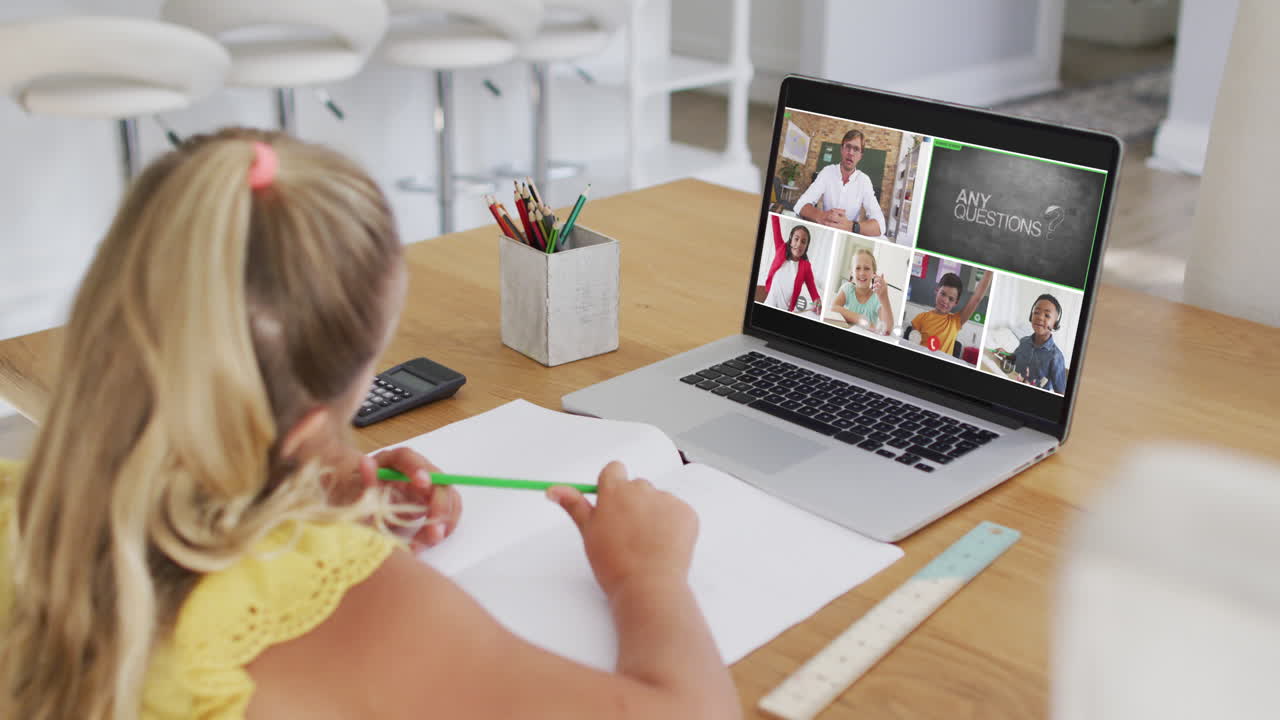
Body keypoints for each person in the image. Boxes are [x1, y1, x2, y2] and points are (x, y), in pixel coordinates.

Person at [0, 129, 740, 720]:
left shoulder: (17, 507)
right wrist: (646, 575)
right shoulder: (348, 611)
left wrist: (293, 503)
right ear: (305, 427)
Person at [793, 129, 885, 237]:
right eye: (848, 147)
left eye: (856, 149)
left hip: (847, 235)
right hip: (824, 231)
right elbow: (800, 205)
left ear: (860, 156)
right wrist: (821, 216)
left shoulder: (864, 181)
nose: (850, 153)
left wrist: (851, 226)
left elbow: (880, 225)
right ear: (842, 149)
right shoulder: (827, 171)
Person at [910, 269, 993, 357]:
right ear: (936, 290)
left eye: (951, 299)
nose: (945, 300)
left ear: (955, 303)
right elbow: (912, 345)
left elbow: (976, 298)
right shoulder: (920, 318)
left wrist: (990, 271)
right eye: (943, 294)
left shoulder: (956, 321)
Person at [1012, 293, 1068, 393]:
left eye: (1047, 315)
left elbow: (1061, 393)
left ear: (1055, 324)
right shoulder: (1024, 341)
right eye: (1036, 312)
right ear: (1031, 315)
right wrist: (1005, 354)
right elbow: (1014, 359)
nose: (1040, 317)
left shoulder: (1056, 357)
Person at [763, 223, 821, 314]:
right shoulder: (780, 249)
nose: (799, 244)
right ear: (790, 240)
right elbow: (776, 225)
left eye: (803, 242)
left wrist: (817, 301)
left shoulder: (806, 266)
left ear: (806, 247)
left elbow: (812, 289)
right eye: (796, 239)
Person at [832, 247, 894, 333]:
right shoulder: (847, 289)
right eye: (857, 268)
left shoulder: (877, 298)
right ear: (852, 273)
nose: (862, 273)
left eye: (867, 268)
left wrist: (884, 296)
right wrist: (859, 319)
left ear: (874, 274)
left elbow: (887, 329)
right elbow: (834, 308)